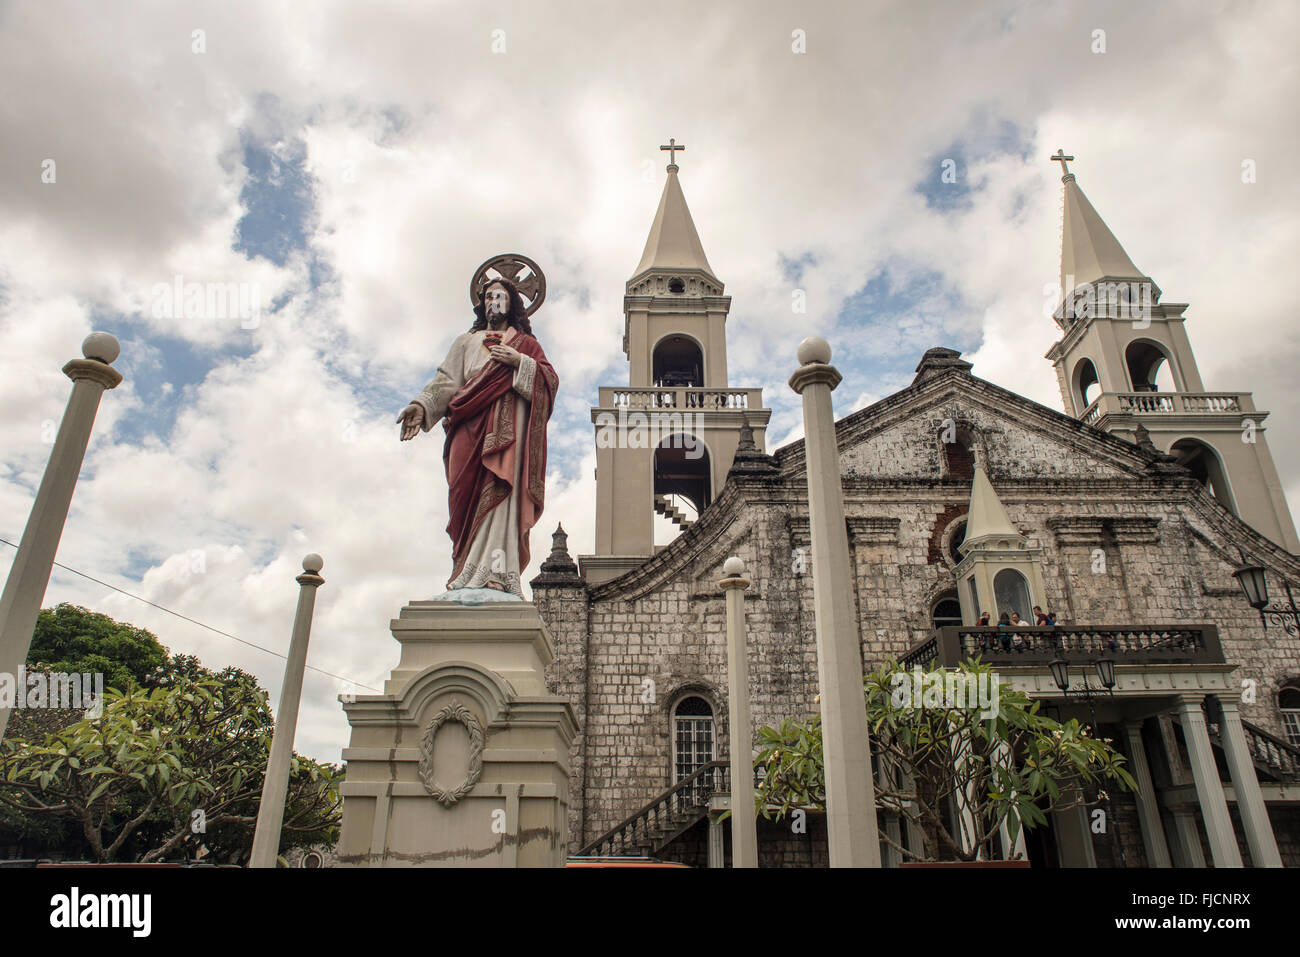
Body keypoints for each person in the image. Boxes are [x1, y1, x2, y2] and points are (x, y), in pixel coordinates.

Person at [397, 277, 559, 596]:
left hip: (505, 432)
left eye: (498, 296)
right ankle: (465, 565)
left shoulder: (526, 344)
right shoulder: (465, 342)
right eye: (487, 297)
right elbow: (446, 382)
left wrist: (520, 363)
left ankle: (496, 570)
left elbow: (549, 380)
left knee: (500, 494)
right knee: (463, 497)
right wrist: (422, 405)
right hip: (467, 426)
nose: (492, 302)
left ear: (512, 303)